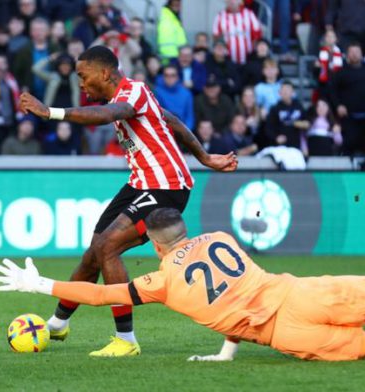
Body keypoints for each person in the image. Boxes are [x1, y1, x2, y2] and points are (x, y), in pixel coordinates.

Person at [0, 208, 365, 362]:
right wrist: (225, 353)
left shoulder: (160, 280)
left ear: (153, 243)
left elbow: (104, 294)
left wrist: (39, 284)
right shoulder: (221, 237)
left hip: (284, 331)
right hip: (298, 291)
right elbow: (236, 288)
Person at [18, 45, 238, 357]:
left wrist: (50, 112)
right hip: (140, 184)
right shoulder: (127, 97)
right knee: (95, 250)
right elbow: (170, 120)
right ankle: (57, 323)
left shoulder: (132, 92)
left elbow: (109, 115)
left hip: (166, 186)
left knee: (108, 247)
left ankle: (127, 339)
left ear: (104, 73)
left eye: (84, 76)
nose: (81, 84)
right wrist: (203, 156)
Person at [328, 43, 365, 155]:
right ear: (347, 55)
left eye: (357, 52)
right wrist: (338, 105)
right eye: (352, 52)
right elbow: (332, 91)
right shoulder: (340, 73)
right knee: (350, 145)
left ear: (362, 54)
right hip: (350, 118)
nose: (355, 55)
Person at [212, 0, 261, 65]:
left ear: (240, 1)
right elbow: (216, 38)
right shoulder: (220, 16)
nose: (232, 2)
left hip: (248, 59)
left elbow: (257, 35)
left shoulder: (249, 14)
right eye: (228, 0)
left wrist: (253, 54)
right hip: (228, 61)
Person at [265, 81, 305, 150]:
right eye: (283, 90)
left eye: (288, 90)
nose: (285, 92)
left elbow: (307, 122)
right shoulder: (275, 108)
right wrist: (276, 137)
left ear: (293, 92)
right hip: (280, 147)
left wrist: (299, 124)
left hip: (297, 147)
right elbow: (269, 128)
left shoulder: (299, 106)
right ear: (279, 93)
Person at [155, 64, 195, 130]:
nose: (169, 78)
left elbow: (189, 117)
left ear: (177, 77)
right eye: (166, 75)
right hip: (163, 130)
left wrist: (185, 132)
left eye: (173, 75)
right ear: (163, 77)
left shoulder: (187, 94)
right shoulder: (157, 92)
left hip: (183, 131)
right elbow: (156, 115)